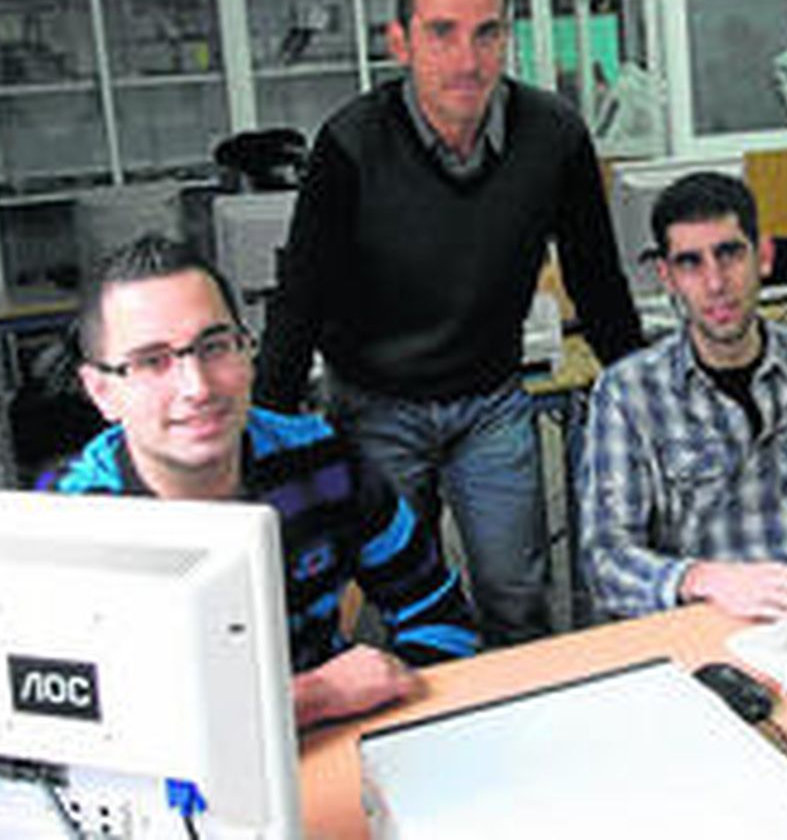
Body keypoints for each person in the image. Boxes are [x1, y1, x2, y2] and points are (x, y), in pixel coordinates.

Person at [255, 0, 643, 647]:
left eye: (486, 33)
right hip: (376, 404)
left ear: (507, 38)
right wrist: (261, 430)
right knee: (397, 604)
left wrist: (643, 389)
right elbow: (301, 297)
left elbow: (596, 276)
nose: (468, 60)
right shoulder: (350, 143)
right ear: (399, 42)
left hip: (490, 401)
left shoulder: (553, 134)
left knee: (517, 597)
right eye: (442, 32)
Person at [44, 234, 478, 728]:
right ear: (101, 391)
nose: (197, 387)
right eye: (151, 361)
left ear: (247, 351)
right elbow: (74, 726)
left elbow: (440, 617)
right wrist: (315, 697)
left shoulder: (324, 460)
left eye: (214, 347)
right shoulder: (67, 524)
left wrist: (389, 711)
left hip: (334, 744)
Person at [579, 172, 787, 620]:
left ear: (764, 256)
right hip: (706, 616)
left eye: (730, 254)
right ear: (667, 278)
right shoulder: (628, 393)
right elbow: (606, 560)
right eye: (690, 263)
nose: (715, 283)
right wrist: (707, 580)